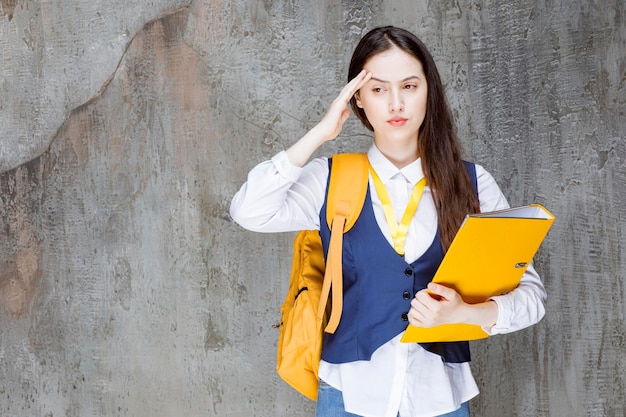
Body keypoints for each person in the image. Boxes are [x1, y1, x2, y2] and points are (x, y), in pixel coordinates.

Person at [230, 26, 546, 417]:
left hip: (439, 397)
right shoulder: (330, 179)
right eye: (378, 89)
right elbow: (249, 211)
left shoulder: (472, 184)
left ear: (429, 91)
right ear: (357, 97)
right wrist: (320, 133)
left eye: (410, 86)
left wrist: (466, 314)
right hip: (348, 396)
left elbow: (531, 298)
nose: (396, 103)